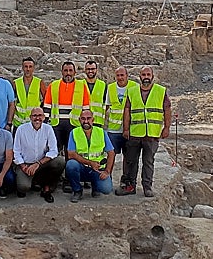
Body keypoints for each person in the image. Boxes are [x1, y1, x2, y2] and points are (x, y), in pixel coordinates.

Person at [121, 66, 171, 198]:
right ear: (139, 76)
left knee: (148, 162)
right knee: (131, 161)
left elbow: (167, 109)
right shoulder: (131, 91)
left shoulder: (160, 91)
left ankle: (147, 187)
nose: (146, 77)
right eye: (143, 74)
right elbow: (126, 111)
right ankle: (130, 186)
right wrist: (125, 129)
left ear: (152, 76)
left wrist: (166, 127)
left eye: (148, 74)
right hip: (135, 133)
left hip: (152, 134)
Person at [11, 107, 61, 203]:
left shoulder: (48, 129)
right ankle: (34, 182)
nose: (37, 118)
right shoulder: (21, 129)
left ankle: (46, 188)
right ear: (30, 117)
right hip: (26, 165)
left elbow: (54, 151)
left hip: (41, 164)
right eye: (34, 116)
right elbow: (16, 151)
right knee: (23, 187)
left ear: (43, 117)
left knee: (59, 161)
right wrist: (23, 166)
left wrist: (38, 163)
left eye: (40, 116)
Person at [65, 109, 115, 201]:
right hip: (82, 168)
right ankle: (77, 191)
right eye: (83, 119)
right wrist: (90, 162)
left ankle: (95, 187)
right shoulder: (74, 132)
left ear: (93, 120)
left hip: (97, 169)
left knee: (106, 189)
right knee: (71, 165)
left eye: (89, 118)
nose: (86, 121)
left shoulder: (101, 132)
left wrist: (107, 171)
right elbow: (71, 154)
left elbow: (111, 153)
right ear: (79, 120)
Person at [43, 60, 90, 154]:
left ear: (74, 72)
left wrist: (85, 123)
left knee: (71, 152)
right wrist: (45, 123)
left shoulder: (82, 86)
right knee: (55, 151)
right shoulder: (54, 85)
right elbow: (47, 105)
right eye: (65, 70)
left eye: (70, 70)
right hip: (57, 125)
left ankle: (69, 168)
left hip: (74, 125)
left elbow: (86, 107)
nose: (68, 73)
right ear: (62, 72)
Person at [107, 66, 138, 193]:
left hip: (129, 129)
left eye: (122, 75)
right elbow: (107, 107)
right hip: (113, 130)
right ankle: (107, 178)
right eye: (118, 76)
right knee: (111, 155)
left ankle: (125, 181)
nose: (120, 78)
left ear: (127, 75)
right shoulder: (111, 88)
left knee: (128, 157)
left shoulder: (134, 87)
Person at [12, 57, 47, 129]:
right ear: (22, 68)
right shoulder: (16, 83)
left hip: (34, 122)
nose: (28, 69)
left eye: (30, 67)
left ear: (33, 68)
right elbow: (11, 102)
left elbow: (46, 99)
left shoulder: (39, 82)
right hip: (18, 122)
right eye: (26, 67)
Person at [84, 59, 109, 131]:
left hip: (97, 122)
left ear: (96, 70)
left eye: (92, 69)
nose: (90, 71)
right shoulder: (80, 84)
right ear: (85, 70)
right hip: (83, 121)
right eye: (88, 69)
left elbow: (106, 104)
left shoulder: (103, 85)